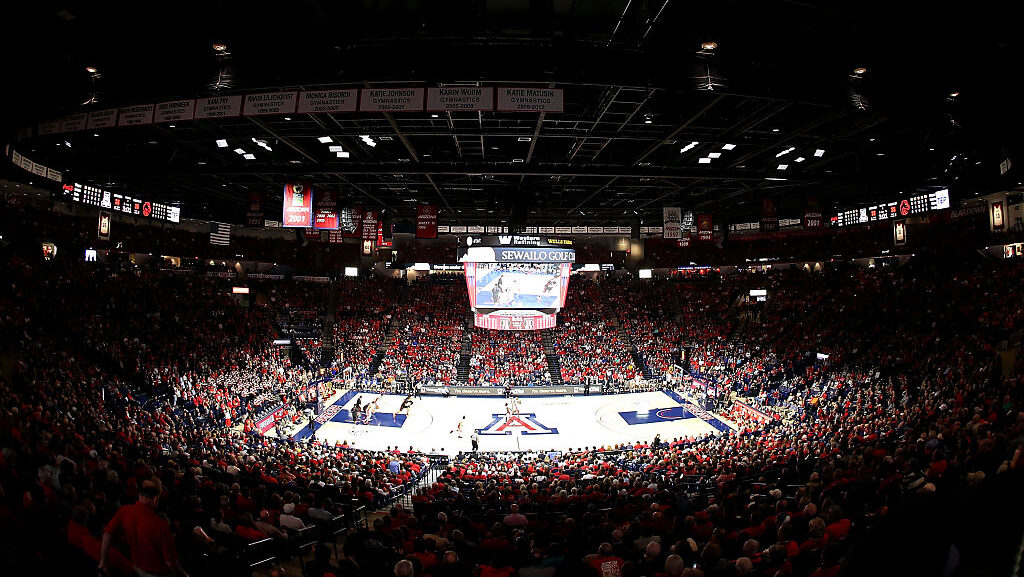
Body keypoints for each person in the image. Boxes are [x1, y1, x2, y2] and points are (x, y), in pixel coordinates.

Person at [99, 484, 188, 577]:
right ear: (156, 499)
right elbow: (170, 562)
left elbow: (107, 534)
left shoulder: (123, 511)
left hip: (133, 569)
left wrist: (103, 563)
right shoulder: (161, 524)